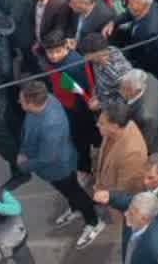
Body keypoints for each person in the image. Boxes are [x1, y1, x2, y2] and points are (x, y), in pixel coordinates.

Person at [16, 79, 104, 250]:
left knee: (75, 192)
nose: (19, 101)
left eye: (22, 99)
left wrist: (24, 166)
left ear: (32, 103)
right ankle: (74, 207)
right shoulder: (46, 99)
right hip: (58, 162)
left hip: (58, 168)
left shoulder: (50, 125)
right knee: (69, 191)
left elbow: (46, 158)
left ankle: (93, 221)